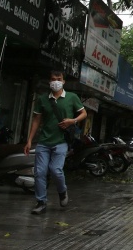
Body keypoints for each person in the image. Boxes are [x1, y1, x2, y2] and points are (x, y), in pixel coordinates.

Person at [24, 70, 87, 215]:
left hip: (61, 141)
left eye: (59, 79)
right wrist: (29, 140)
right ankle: (41, 202)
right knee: (39, 172)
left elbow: (84, 113)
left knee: (55, 170)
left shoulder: (72, 97)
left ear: (63, 81)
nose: (56, 81)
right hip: (44, 141)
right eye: (53, 79)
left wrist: (73, 120)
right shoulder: (43, 99)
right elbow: (36, 120)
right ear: (49, 81)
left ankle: (62, 191)